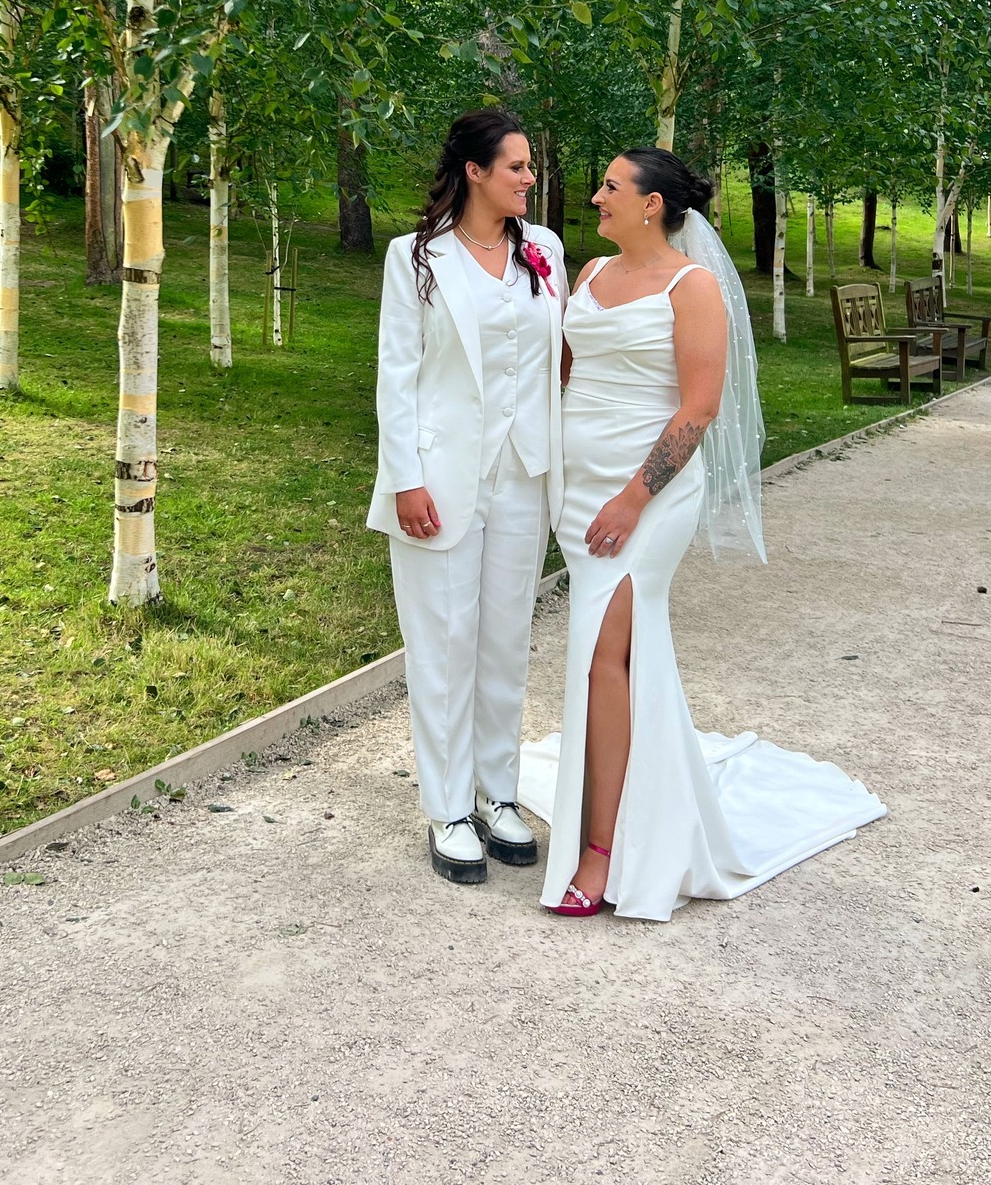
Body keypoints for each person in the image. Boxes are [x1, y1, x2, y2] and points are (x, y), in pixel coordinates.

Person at [518, 148, 885, 919]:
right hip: (575, 491)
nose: (595, 196)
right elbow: (563, 377)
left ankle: (602, 854)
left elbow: (698, 410)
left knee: (601, 658)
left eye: (611, 187)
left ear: (652, 204)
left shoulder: (695, 288)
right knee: (613, 659)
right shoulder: (588, 275)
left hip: (646, 497)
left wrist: (631, 499)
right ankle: (644, 804)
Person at [368, 109, 568, 884]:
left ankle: (499, 794)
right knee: (443, 643)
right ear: (476, 171)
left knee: (504, 641)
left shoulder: (544, 250)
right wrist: (406, 479)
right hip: (442, 476)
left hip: (524, 472)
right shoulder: (415, 257)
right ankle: (448, 808)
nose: (529, 177)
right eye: (515, 166)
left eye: (529, 166)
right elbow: (397, 374)